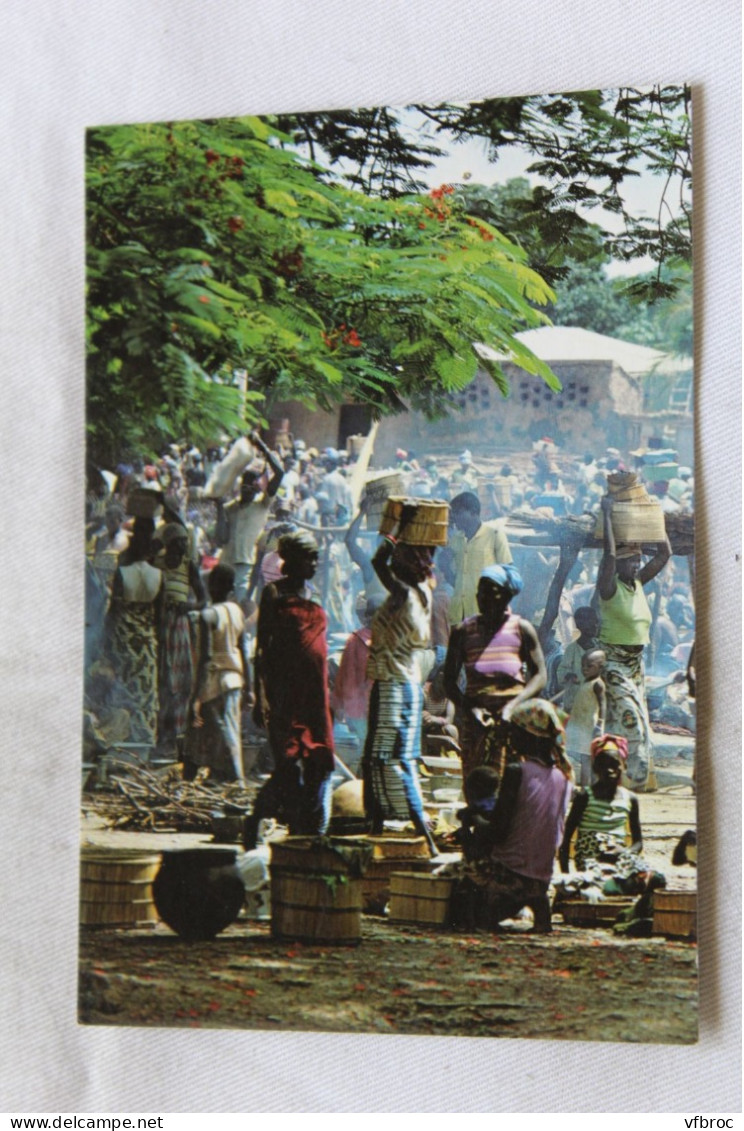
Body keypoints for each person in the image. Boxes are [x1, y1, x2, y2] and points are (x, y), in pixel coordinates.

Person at [449, 699, 574, 933]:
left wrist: (471, 818)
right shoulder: (564, 778)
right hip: (541, 878)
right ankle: (538, 907)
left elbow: (498, 831)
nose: (510, 738)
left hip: (509, 876)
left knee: (458, 887)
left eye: (515, 732)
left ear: (530, 735)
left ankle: (484, 907)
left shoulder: (517, 771)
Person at [243, 531, 335, 846]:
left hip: (315, 696)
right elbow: (261, 649)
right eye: (309, 558)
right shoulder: (273, 593)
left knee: (318, 762)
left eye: (316, 558)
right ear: (291, 560)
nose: (315, 564)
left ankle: (305, 831)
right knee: (288, 763)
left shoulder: (315, 594)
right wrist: (259, 695)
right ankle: (257, 818)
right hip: (285, 694)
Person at [362, 504, 439, 855]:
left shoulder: (404, 593)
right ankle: (380, 827)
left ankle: (418, 833)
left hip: (392, 683)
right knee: (389, 757)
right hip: (405, 682)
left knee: (386, 758)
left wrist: (396, 528)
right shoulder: (424, 589)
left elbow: (378, 561)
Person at [443, 564, 546, 783]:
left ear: (507, 596)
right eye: (481, 593)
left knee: (510, 786)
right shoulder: (463, 632)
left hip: (512, 724)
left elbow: (540, 676)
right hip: (476, 724)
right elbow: (449, 682)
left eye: (492, 593)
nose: (484, 599)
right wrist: (469, 708)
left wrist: (512, 706)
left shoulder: (522, 629)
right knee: (477, 784)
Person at [596, 495, 671, 786]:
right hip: (613, 663)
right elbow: (608, 556)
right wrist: (607, 515)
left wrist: (655, 517)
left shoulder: (637, 584)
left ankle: (619, 778)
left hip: (635, 665)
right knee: (632, 719)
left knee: (629, 721)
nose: (637, 565)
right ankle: (632, 777)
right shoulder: (609, 588)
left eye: (639, 560)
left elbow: (664, 554)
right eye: (632, 561)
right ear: (619, 565)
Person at [184, 564, 247, 783]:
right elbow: (243, 649)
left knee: (209, 732)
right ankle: (229, 778)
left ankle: (228, 778)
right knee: (229, 732)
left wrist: (195, 696)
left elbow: (206, 658)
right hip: (235, 680)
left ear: (211, 586)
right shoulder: (237, 612)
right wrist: (249, 687)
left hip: (215, 682)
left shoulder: (208, 615)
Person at [103, 518, 163, 746]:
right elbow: (159, 618)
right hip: (146, 646)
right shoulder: (159, 575)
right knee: (144, 698)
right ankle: (144, 744)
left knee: (122, 697)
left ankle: (120, 745)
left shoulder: (122, 572)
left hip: (123, 644)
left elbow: (113, 613)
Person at [214, 431, 284, 603]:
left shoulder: (262, 505)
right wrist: (219, 509)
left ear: (257, 488)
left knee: (240, 604)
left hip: (245, 565)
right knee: (221, 603)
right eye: (245, 484)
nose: (248, 489)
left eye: (252, 485)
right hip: (226, 561)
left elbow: (280, 473)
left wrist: (262, 447)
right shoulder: (229, 508)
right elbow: (221, 539)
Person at [155, 524, 206, 756]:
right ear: (171, 544)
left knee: (181, 680)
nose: (185, 545)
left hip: (180, 626)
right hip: (161, 624)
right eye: (181, 541)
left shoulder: (189, 566)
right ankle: (162, 735)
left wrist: (189, 606)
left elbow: (203, 600)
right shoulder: (158, 563)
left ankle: (177, 734)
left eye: (186, 541)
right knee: (164, 679)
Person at [559, 735, 642, 871]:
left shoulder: (630, 799)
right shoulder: (585, 796)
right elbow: (566, 838)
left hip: (618, 859)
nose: (609, 770)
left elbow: (638, 843)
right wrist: (565, 873)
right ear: (595, 768)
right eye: (603, 765)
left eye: (614, 764)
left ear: (624, 766)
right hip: (590, 862)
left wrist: (624, 852)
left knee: (652, 877)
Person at [448, 491, 512, 624]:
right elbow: (448, 569)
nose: (454, 517)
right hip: (458, 611)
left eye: (458, 512)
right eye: (453, 513)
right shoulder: (455, 540)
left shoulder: (494, 534)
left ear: (473, 512)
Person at [564, 648, 606, 786]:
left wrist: (600, 723)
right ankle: (587, 785)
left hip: (589, 726)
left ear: (600, 668)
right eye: (583, 666)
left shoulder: (598, 684)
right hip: (580, 723)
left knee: (587, 758)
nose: (585, 669)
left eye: (589, 666)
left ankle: (586, 787)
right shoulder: (587, 681)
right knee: (583, 757)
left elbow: (603, 704)